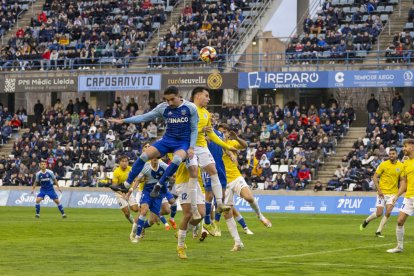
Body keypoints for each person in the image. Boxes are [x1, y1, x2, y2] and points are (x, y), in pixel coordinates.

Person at [109, 86, 198, 200]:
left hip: (182, 143)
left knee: (176, 160)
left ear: (179, 96)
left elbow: (194, 129)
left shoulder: (190, 108)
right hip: (167, 140)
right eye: (167, 100)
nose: (169, 102)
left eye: (172, 99)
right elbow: (144, 117)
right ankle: (126, 185)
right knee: (144, 155)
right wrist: (124, 121)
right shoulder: (163, 107)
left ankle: (159, 185)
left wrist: (191, 147)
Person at [186, 87, 237, 219]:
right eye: (206, 96)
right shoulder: (188, 109)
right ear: (198, 96)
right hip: (189, 145)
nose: (209, 99)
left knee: (214, 171)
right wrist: (201, 129)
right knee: (193, 174)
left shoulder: (206, 114)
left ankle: (219, 203)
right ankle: (194, 209)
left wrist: (227, 147)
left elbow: (211, 134)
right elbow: (186, 130)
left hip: (202, 147)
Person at [360, 148, 403, 237]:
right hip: (382, 193)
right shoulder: (383, 164)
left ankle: (378, 231)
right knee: (379, 213)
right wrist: (379, 190)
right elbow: (375, 177)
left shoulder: (401, 166)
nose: (391, 155)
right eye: (390, 154)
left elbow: (402, 179)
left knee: (388, 211)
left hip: (393, 193)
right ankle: (366, 221)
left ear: (396, 155)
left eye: (393, 153)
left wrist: (399, 192)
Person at [126, 157, 169, 243]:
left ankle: (141, 227)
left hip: (158, 193)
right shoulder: (146, 167)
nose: (155, 158)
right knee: (144, 211)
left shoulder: (164, 166)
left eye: (158, 156)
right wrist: (130, 191)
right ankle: (137, 237)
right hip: (147, 192)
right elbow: (138, 180)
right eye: (154, 156)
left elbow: (173, 174)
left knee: (152, 220)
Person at [171, 155, 205, 259]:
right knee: (188, 214)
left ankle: (182, 232)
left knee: (201, 214)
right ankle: (180, 247)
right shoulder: (177, 144)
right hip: (183, 182)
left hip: (195, 182)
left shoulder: (196, 143)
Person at [388, 139, 414, 253]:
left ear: (412, 147)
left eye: (406, 146)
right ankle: (399, 247)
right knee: (400, 221)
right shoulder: (405, 163)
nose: (403, 148)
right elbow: (404, 183)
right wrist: (396, 196)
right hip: (409, 196)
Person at [110, 156, 139, 224]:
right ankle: (134, 224)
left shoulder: (131, 169)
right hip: (119, 192)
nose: (124, 163)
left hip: (129, 191)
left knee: (135, 209)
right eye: (122, 161)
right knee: (126, 213)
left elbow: (137, 180)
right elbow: (114, 186)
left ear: (128, 162)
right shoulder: (116, 172)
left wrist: (131, 190)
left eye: (126, 161)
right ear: (119, 162)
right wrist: (122, 194)